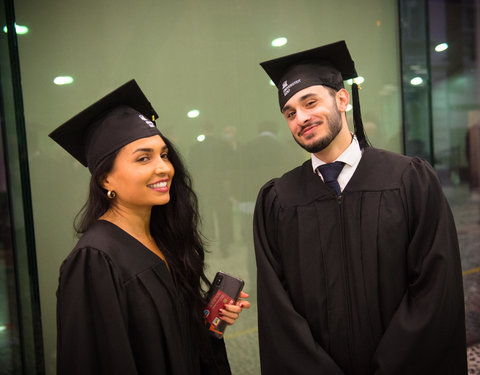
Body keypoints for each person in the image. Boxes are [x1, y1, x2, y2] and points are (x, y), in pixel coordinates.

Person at [254, 41, 467, 374]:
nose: (301, 118)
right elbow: (277, 311)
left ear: (342, 99)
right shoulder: (279, 201)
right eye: (290, 112)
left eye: (310, 102)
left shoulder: (408, 180)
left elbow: (434, 289)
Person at [49, 80, 250, 375]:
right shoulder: (94, 261)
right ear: (106, 179)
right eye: (144, 158)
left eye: (164, 154)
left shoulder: (163, 238)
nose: (164, 168)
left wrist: (205, 321)